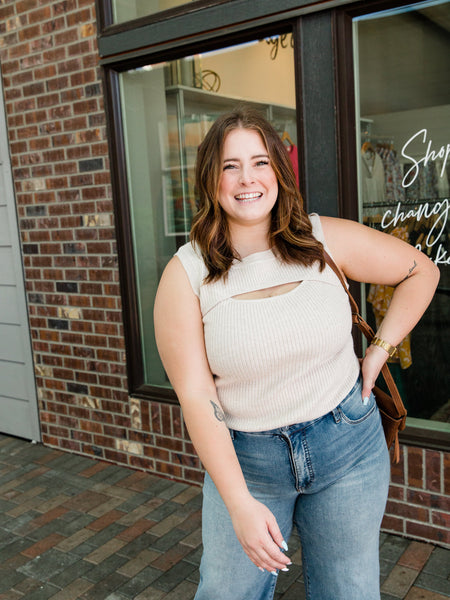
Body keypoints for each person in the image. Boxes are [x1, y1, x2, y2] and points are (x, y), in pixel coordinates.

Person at [153, 107, 439, 600]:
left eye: (260, 162)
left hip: (348, 448)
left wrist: (377, 353)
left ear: (279, 172)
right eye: (230, 165)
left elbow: (422, 270)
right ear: (211, 179)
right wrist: (239, 503)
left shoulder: (322, 238)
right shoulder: (186, 274)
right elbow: (198, 399)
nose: (248, 179)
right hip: (248, 465)